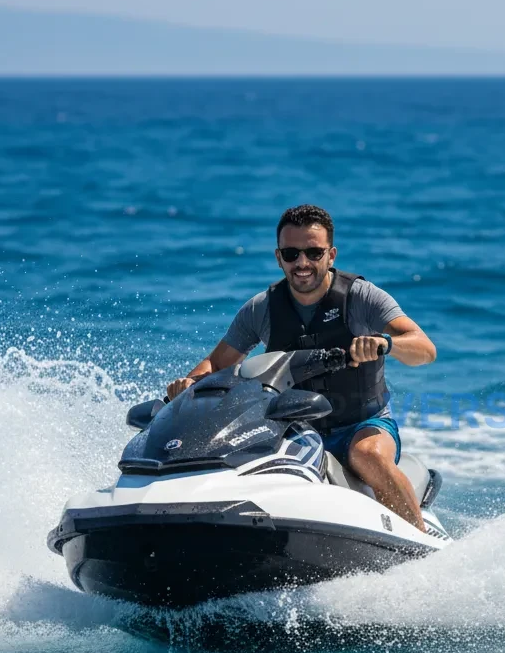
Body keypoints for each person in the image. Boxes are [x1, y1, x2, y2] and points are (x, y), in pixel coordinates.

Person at [167, 204, 436, 531]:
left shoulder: (361, 297)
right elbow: (217, 363)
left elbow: (424, 348)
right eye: (292, 253)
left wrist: (385, 344)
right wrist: (190, 382)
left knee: (367, 455)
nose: (303, 263)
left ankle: (422, 547)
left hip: (363, 424)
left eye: (313, 252)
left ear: (331, 254)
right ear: (279, 257)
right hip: (294, 429)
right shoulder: (262, 309)